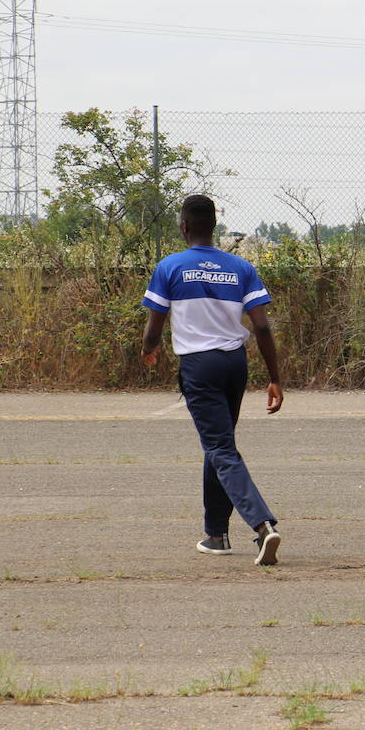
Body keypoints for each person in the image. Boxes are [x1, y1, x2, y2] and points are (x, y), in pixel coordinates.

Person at [141, 195, 285, 566]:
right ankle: (216, 533)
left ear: (184, 226)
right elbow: (263, 326)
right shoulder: (240, 267)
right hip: (234, 365)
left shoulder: (170, 267)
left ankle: (262, 525)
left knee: (220, 448)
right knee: (218, 443)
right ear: (214, 226)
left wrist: (148, 349)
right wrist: (274, 378)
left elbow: (154, 326)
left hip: (199, 367)